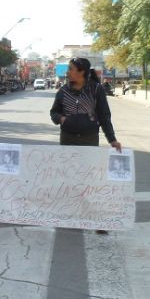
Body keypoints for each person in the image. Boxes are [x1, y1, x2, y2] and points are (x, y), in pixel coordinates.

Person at [50, 57, 122, 235]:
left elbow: (104, 116)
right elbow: (54, 112)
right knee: (69, 179)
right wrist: (62, 119)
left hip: (89, 139)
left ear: (81, 72)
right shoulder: (63, 91)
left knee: (90, 181)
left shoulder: (96, 90)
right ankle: (70, 215)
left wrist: (112, 139)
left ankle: (98, 220)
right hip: (67, 139)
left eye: (71, 69)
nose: (67, 72)